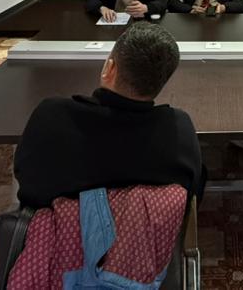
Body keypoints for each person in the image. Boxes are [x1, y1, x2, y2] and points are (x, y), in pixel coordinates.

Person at [13, 21, 204, 207]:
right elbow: (193, 190)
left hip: (58, 228)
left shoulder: (51, 116)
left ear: (109, 68)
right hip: (148, 229)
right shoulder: (178, 129)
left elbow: (28, 187)